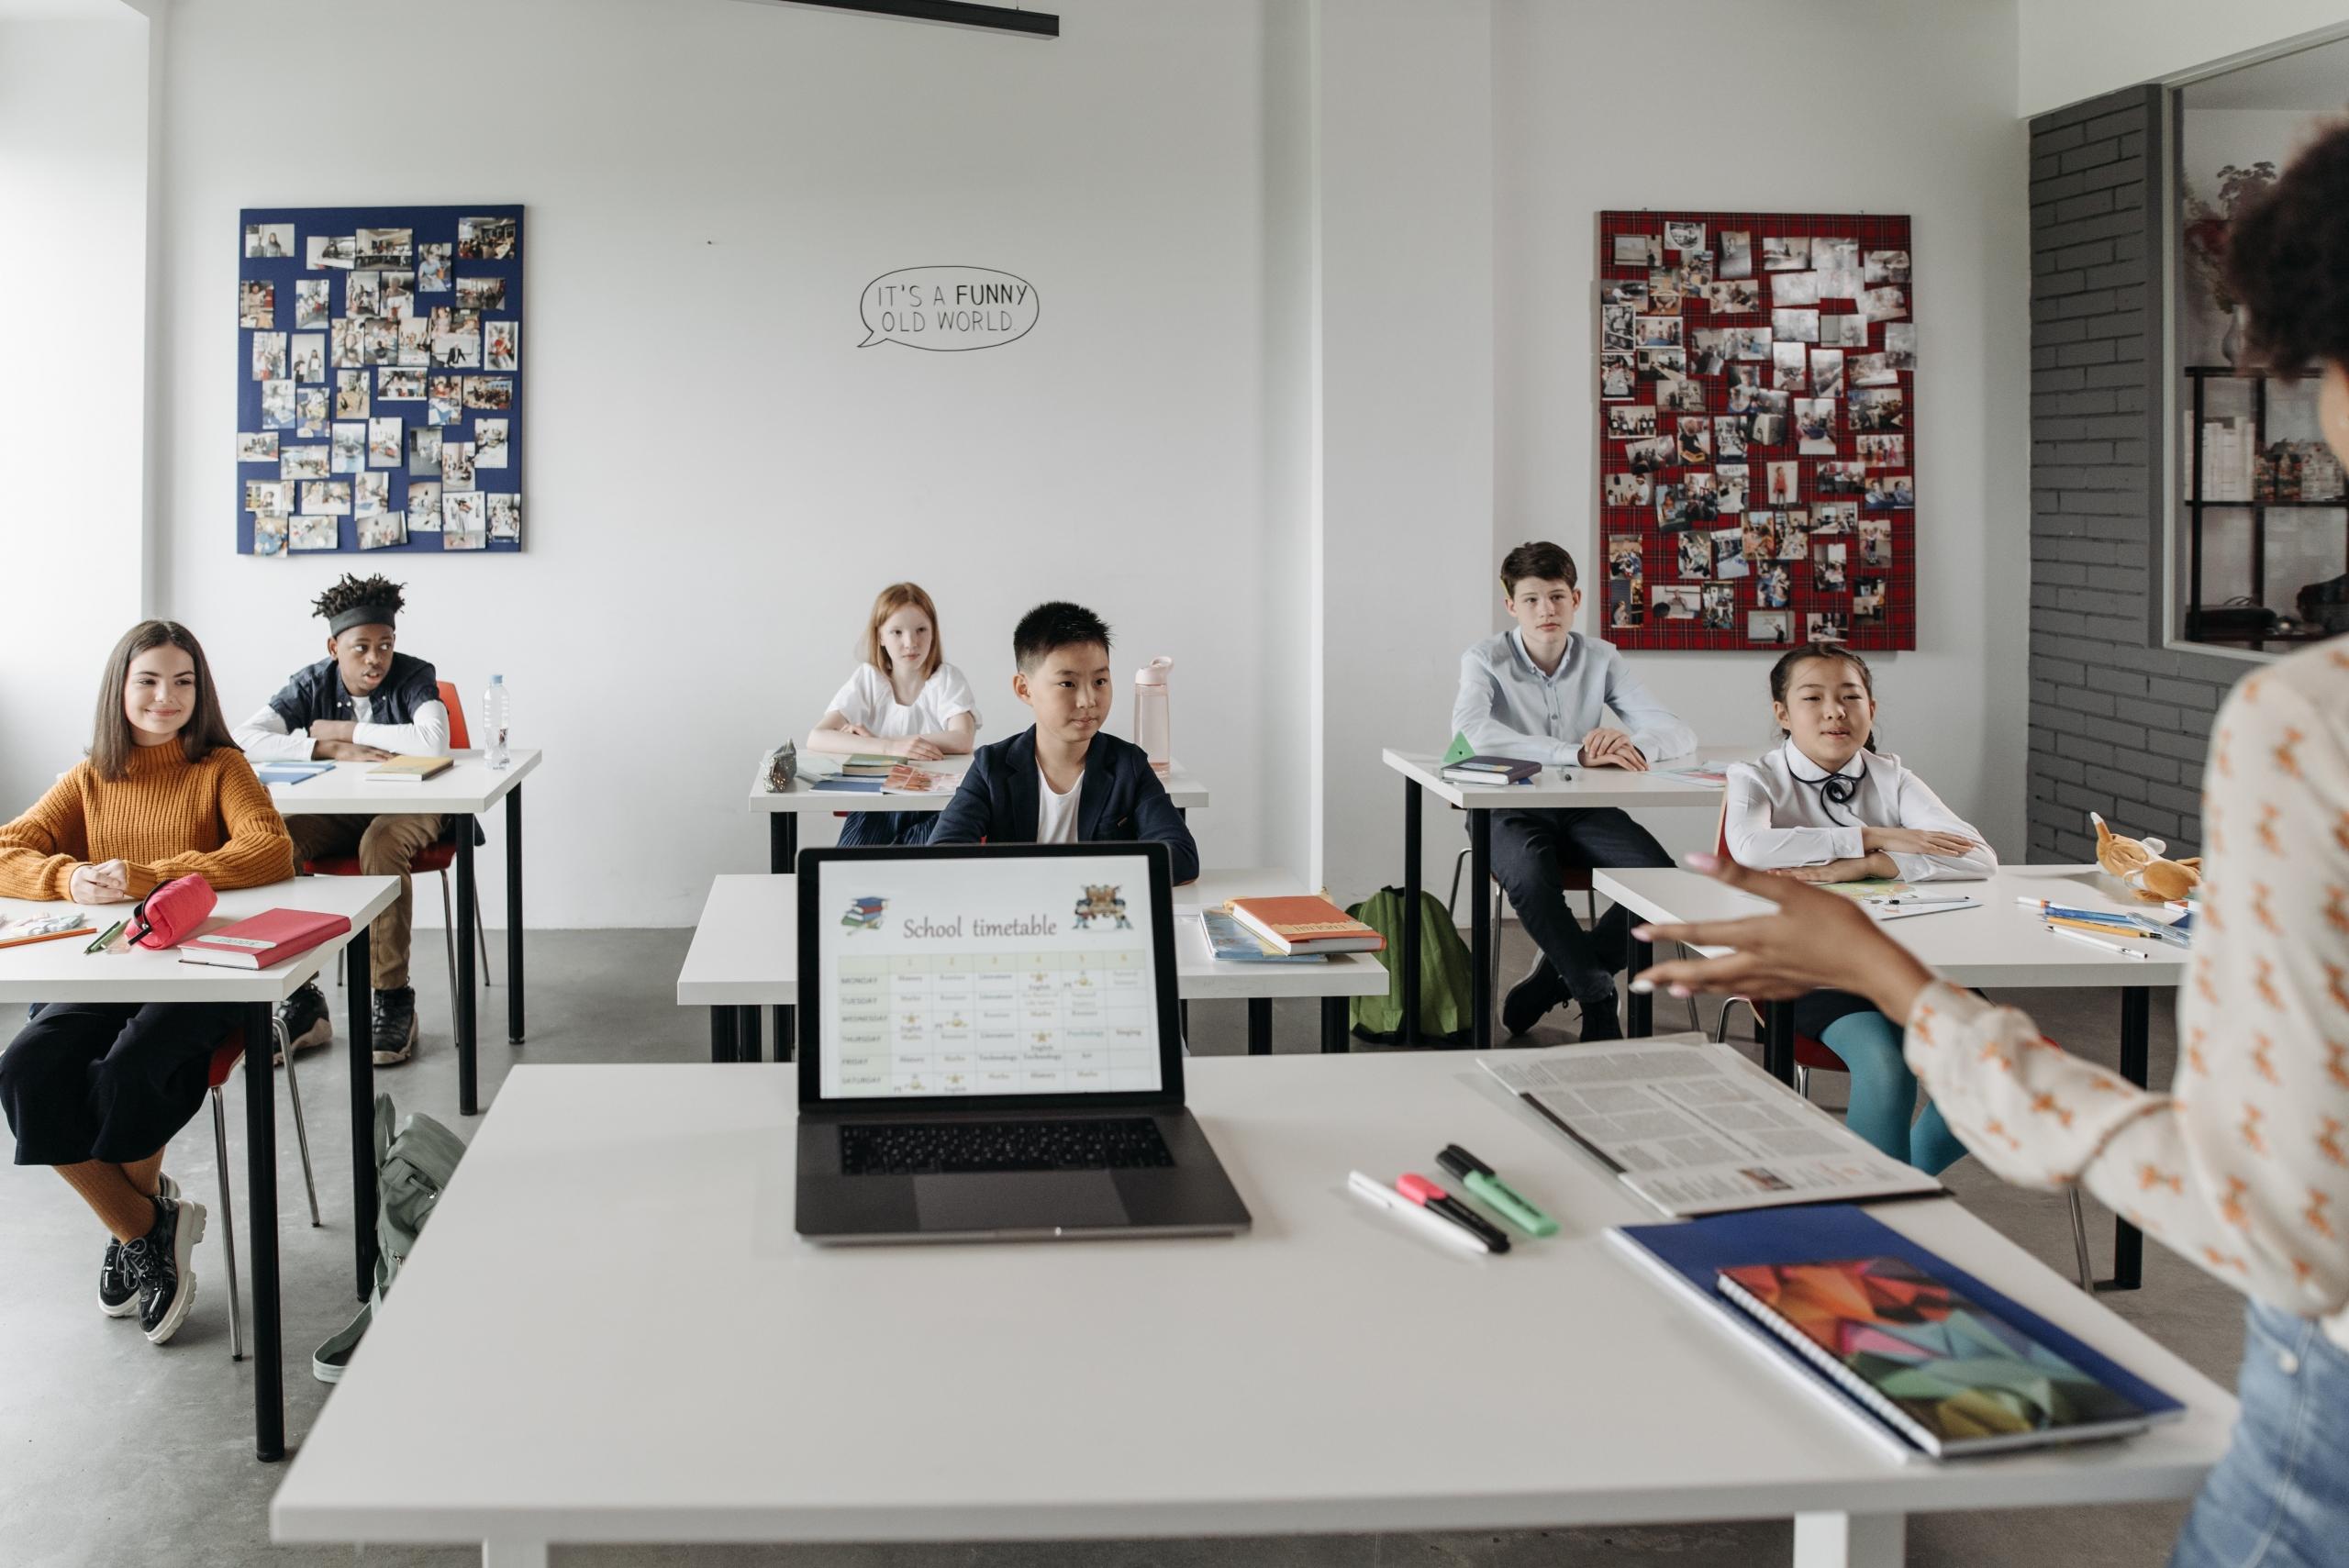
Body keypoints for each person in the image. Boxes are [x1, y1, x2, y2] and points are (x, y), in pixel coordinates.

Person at [1637, 120, 2349, 1568]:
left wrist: (1903, 980)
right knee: (1892, 1071)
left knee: (1905, 1060)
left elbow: (2286, 1217)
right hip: (1856, 963)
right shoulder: (1777, 775)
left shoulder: (2310, 723)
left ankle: (1885, 1212)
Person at [0, 621, 297, 1346]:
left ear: (201, 692)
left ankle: (130, 1225)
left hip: (202, 970)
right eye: (149, 681)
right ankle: (141, 1224)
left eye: (183, 682)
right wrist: (67, 875)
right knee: (25, 1068)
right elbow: (9, 847)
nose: (167, 697)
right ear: (120, 689)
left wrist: (151, 875)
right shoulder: (91, 776)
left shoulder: (221, 765)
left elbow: (270, 850)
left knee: (129, 1071)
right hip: (112, 964)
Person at [1721, 643, 1991, 1170]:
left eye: (1851, 696)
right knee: (1887, 1069)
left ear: (1871, 707)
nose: (1834, 711)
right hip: (1810, 965)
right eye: (1813, 697)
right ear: (1782, 713)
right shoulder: (1755, 777)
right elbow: (1752, 848)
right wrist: (1876, 835)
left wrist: (1867, 865)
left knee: (1994, 1065)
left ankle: (1901, 1184)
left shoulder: (1892, 776)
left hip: (1912, 958)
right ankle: (1880, 1211)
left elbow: (1978, 857)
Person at [1452, 540, 1696, 1041]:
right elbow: (1472, 734)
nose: (1547, 610)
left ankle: (1560, 975)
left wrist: (1631, 742)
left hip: (1580, 807)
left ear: (1577, 599)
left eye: (1558, 597)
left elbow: (1677, 730)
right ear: (1511, 605)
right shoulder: (1485, 659)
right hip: (1505, 806)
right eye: (1533, 599)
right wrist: (1574, 753)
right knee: (1532, 877)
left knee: (1661, 883)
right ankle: (1597, 995)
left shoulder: (1600, 656)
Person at [233, 573, 450, 1066]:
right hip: (341, 810)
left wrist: (348, 728)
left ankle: (392, 998)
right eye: (361, 648)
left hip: (411, 806)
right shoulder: (310, 682)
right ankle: (303, 1001)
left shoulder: (415, 676)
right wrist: (323, 745)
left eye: (385, 646)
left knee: (380, 844)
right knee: (275, 839)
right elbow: (243, 737)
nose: (375, 659)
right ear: (334, 646)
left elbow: (434, 740)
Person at [929, 601, 1197, 884]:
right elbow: (942, 855)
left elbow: (1181, 856)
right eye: (1068, 684)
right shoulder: (991, 767)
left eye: (1100, 681)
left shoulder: (1128, 765)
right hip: (1021, 920)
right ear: (1025, 689)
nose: (1088, 700)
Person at [806, 582, 979, 848]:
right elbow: (817, 738)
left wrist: (882, 743)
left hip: (936, 804)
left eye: (921, 630)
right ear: (880, 637)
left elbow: (962, 738)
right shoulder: (869, 678)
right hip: (878, 803)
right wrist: (889, 746)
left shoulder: (947, 678)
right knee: (851, 866)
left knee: (916, 867)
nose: (911, 643)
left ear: (934, 633)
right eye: (897, 632)